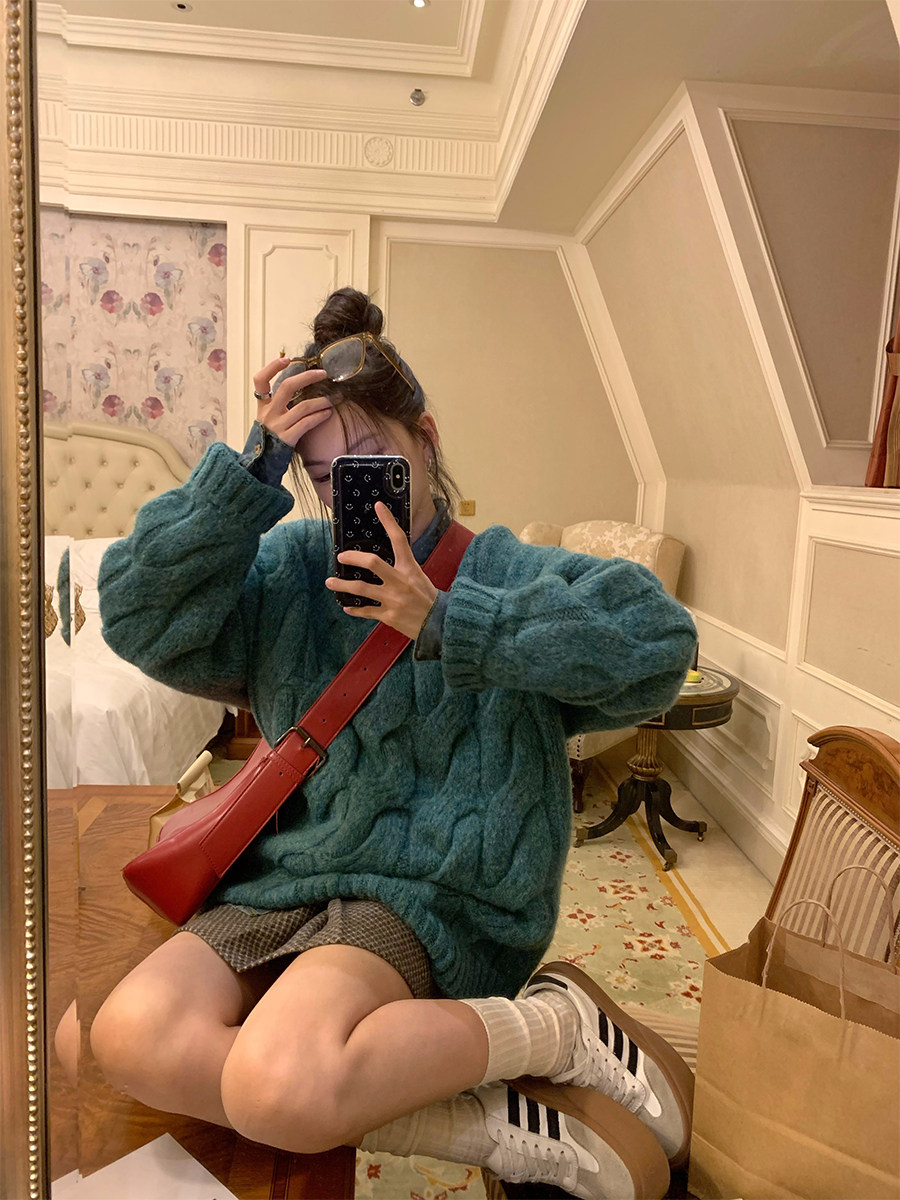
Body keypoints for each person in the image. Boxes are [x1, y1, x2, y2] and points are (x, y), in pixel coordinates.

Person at [80, 288, 699, 1200]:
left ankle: (558, 1025)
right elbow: (136, 615)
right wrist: (245, 478)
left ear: (426, 439)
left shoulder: (501, 571)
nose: (353, 490)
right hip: (291, 876)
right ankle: (490, 1109)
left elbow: (660, 645)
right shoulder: (292, 570)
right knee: (123, 1038)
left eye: (372, 458)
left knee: (276, 1080)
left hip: (438, 896)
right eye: (325, 475)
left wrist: (449, 621)